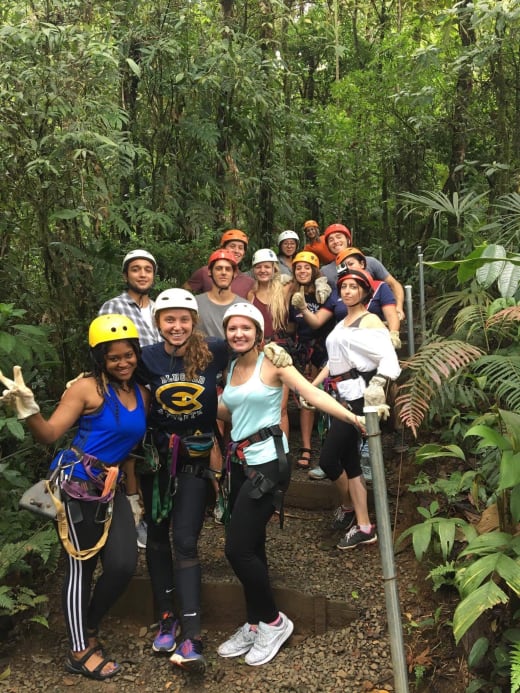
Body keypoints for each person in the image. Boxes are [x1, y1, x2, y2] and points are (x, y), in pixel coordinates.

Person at [0, 315, 150, 681]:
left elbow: (129, 451)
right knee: (80, 567)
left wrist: (132, 495)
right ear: (100, 358)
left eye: (128, 354)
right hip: (77, 485)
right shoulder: (86, 388)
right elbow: (50, 434)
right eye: (113, 357)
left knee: (121, 564)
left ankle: (89, 624)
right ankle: (79, 650)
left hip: (109, 487)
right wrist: (30, 412)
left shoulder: (141, 393)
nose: (122, 362)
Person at [216, 302, 365, 666]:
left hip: (267, 463)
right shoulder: (233, 365)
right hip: (239, 460)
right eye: (232, 328)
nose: (238, 333)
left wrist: (352, 416)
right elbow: (228, 410)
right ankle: (254, 623)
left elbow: (309, 395)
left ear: (257, 331)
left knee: (237, 550)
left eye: (245, 328)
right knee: (252, 545)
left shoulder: (273, 362)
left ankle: (274, 621)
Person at [308, 269, 400, 549]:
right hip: (341, 396)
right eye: (343, 287)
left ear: (364, 292)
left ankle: (350, 508)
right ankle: (363, 525)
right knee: (351, 465)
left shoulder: (370, 320)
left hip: (360, 399)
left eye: (353, 287)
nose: (347, 291)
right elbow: (332, 362)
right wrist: (313, 387)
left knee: (328, 460)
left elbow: (388, 356)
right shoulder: (343, 321)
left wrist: (380, 383)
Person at [99, 248, 161, 548]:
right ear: (126, 274)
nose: (142, 274)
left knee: (153, 448)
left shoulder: (160, 307)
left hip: (157, 389)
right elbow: (102, 350)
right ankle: (132, 515)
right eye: (136, 269)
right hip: (125, 386)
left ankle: (155, 510)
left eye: (147, 270)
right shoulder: (112, 307)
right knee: (129, 453)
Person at [287, 251, 332, 470]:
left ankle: (328, 445)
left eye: (307, 267)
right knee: (306, 397)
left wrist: (304, 307)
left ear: (314, 271)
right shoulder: (292, 294)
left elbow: (318, 323)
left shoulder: (323, 293)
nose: (302, 271)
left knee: (318, 396)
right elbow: (291, 327)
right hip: (302, 350)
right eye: (298, 268)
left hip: (322, 349)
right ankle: (306, 446)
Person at [247, 248, 291, 437]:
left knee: (281, 407)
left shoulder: (285, 289)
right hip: (259, 350)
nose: (263, 270)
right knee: (259, 402)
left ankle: (284, 452)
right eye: (259, 267)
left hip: (280, 350)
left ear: (274, 269)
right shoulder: (251, 294)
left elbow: (306, 276)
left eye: (267, 267)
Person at [320, 223, 406, 320]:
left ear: (348, 240)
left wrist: (398, 307)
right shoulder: (325, 271)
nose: (335, 241)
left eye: (339, 237)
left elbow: (394, 284)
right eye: (331, 240)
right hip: (345, 320)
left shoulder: (370, 262)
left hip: (375, 317)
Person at [183, 229, 254, 298]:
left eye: (240, 248)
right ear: (223, 248)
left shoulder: (248, 282)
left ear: (244, 253)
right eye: (232, 246)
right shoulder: (205, 272)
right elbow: (183, 294)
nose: (236, 251)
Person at [196, 249, 245, 339]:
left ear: (234, 274)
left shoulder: (244, 307)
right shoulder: (195, 304)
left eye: (228, 269)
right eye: (218, 268)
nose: (223, 272)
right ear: (210, 272)